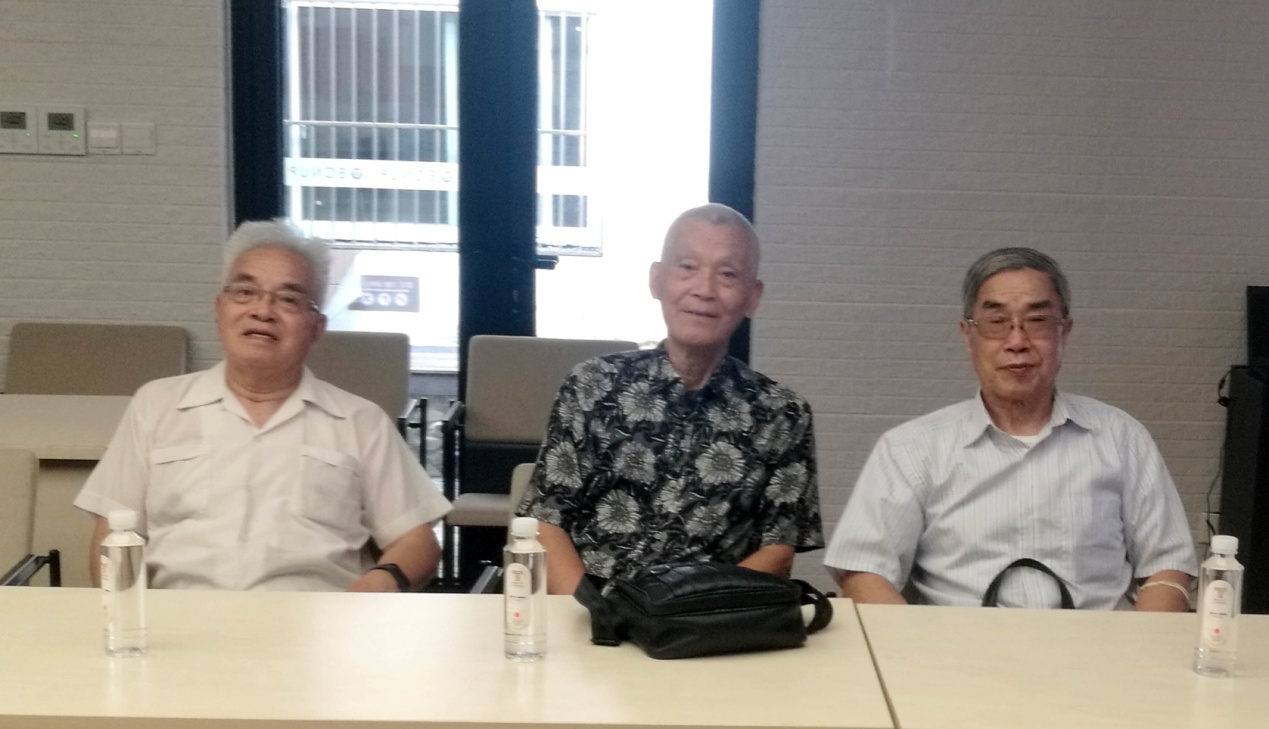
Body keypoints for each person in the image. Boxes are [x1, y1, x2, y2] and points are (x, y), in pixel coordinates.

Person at [74, 220, 451, 591]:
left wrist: (370, 591)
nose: (263, 311)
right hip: (181, 622)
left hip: (319, 622)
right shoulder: (156, 406)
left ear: (316, 328)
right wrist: (128, 617)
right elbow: (112, 532)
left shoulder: (360, 421)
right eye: (245, 292)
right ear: (219, 309)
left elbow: (416, 541)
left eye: (288, 299)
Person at [824, 247, 1197, 610]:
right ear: (967, 335)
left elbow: (1168, 567)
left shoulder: (1122, 437)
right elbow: (864, 571)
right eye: (996, 322)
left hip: (1097, 647)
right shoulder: (910, 448)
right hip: (957, 647)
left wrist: (1137, 646)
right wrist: (921, 647)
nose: (1017, 342)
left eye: (1037, 321)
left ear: (1064, 332)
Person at [517, 203, 824, 594]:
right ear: (657, 280)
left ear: (752, 296)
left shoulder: (783, 413)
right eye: (687, 267)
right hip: (592, 609)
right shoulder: (591, 385)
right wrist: (597, 614)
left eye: (727, 274)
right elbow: (546, 522)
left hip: (710, 616)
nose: (704, 290)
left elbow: (778, 551)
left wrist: (683, 614)